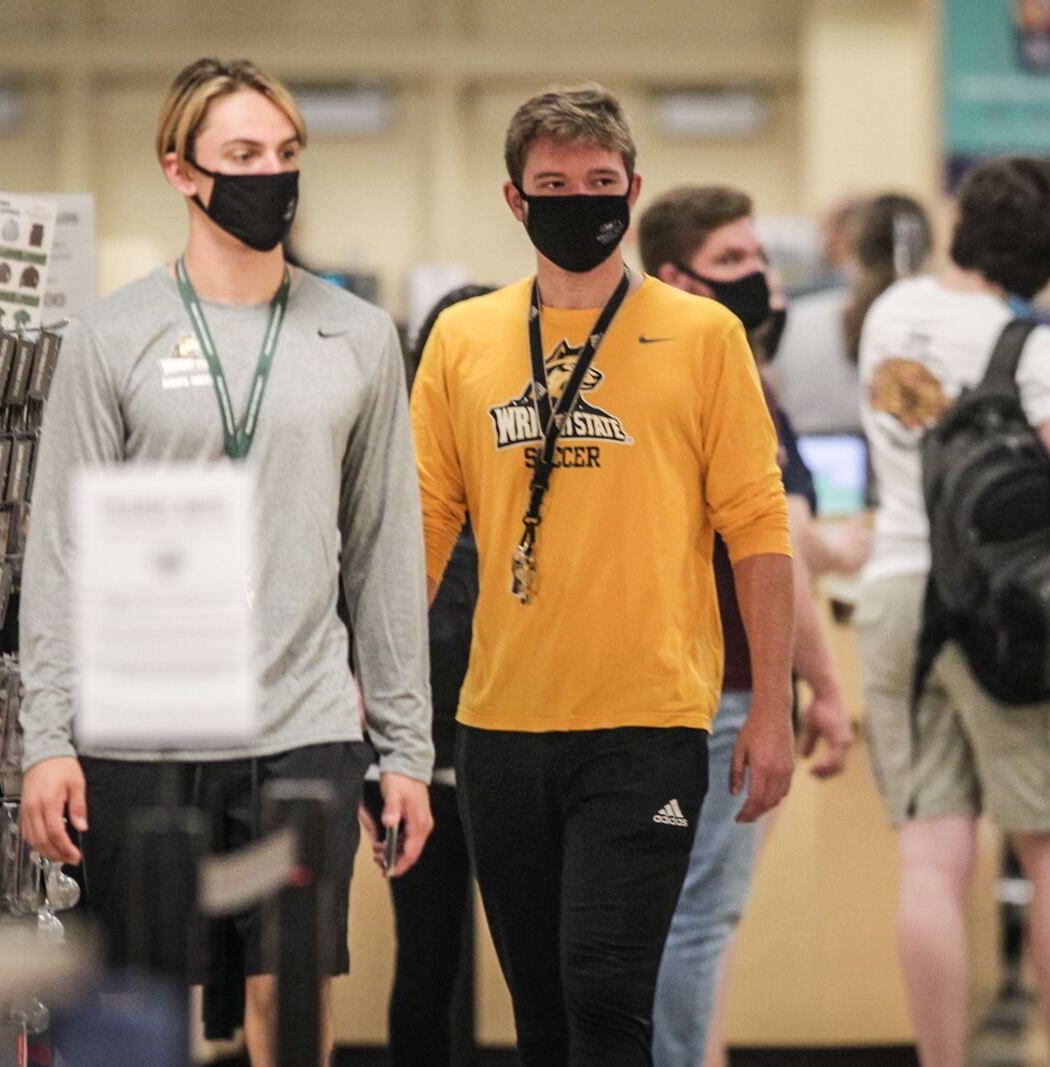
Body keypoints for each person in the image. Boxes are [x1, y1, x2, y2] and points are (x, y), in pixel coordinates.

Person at [17, 57, 434, 1067]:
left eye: (286, 153)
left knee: (284, 1004)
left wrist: (408, 748)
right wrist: (44, 734)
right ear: (182, 172)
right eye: (243, 154)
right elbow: (61, 546)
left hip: (303, 728)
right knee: (136, 1010)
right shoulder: (110, 336)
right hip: (143, 725)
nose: (273, 174)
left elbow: (384, 549)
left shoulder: (359, 335)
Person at [410, 84, 796, 1066]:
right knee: (541, 1013)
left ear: (632, 188)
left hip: (647, 723)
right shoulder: (463, 339)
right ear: (515, 200)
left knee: (606, 992)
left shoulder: (706, 337)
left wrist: (775, 706)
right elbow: (416, 529)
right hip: (499, 725)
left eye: (598, 182)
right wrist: (377, 702)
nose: (579, 200)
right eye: (553, 184)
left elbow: (756, 529)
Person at [856, 156, 1050, 1067]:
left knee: (932, 854)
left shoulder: (893, 312)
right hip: (1007, 611)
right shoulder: (1029, 346)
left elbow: (931, 421)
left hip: (897, 593)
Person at [636, 184, 859, 1067]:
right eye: (733, 262)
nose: (759, 276)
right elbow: (776, 553)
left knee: (685, 920)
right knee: (696, 920)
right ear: (676, 278)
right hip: (713, 685)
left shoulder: (727, 373)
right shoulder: (708, 378)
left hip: (704, 681)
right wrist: (822, 686)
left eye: (761, 257)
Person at [365, 283, 495, 1067]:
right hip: (421, 759)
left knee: (542, 962)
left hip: (514, 751)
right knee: (428, 956)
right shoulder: (389, 479)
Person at [772, 194, 931, 436]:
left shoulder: (794, 323)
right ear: (927, 251)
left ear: (853, 247)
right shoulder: (945, 329)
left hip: (814, 466)